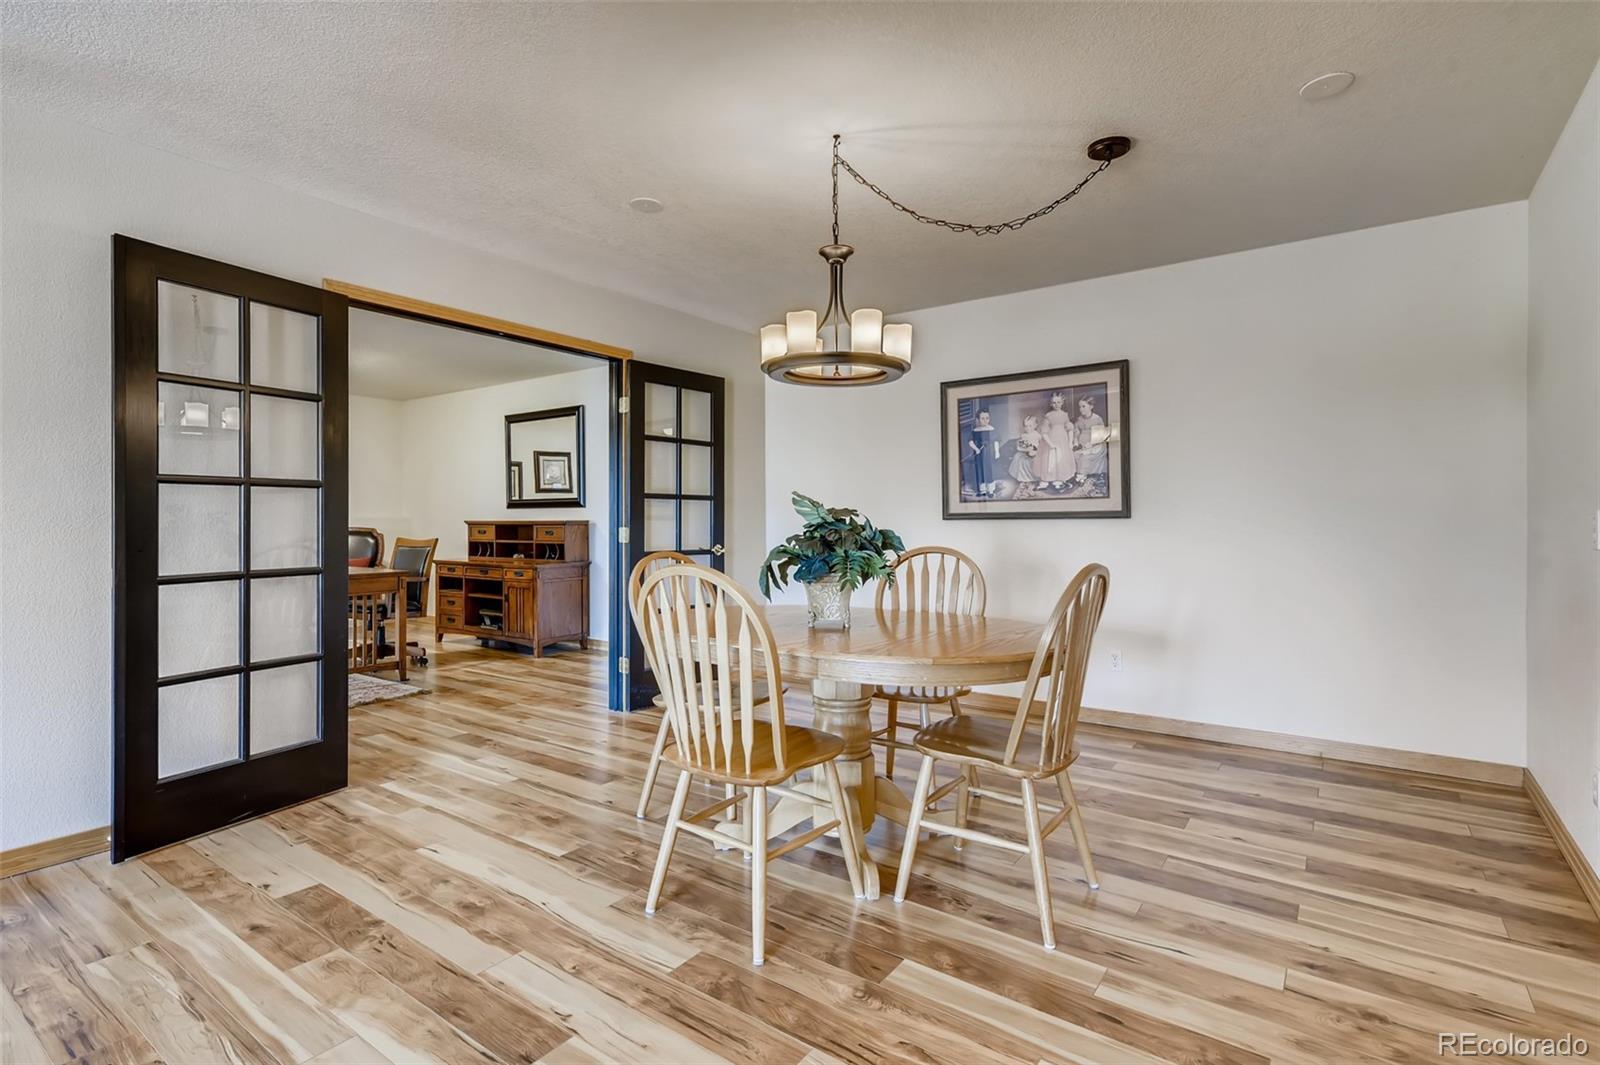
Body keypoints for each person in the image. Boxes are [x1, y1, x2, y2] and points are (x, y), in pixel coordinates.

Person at [1072, 394, 1110, 495]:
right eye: (1079, 406)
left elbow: (1101, 437)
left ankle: (1083, 478)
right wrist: (1076, 442)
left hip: (1095, 444)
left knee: (1085, 456)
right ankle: (1079, 477)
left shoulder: (1097, 419)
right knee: (1074, 454)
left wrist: (1091, 444)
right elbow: (1076, 432)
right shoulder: (1079, 419)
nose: (1081, 409)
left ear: (1091, 406)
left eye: (1083, 406)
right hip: (1082, 445)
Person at [1039, 391, 1074, 489]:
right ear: (1051, 404)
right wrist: (1050, 443)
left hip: (1062, 439)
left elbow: (1070, 429)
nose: (1056, 404)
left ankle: (1060, 478)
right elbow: (1044, 432)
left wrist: (1070, 442)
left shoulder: (1065, 415)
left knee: (1062, 458)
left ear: (1062, 402)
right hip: (1052, 439)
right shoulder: (1048, 415)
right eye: (1054, 402)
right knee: (1051, 457)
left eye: (1058, 402)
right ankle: (1050, 477)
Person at [962, 408, 999, 498]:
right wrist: (976, 449)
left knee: (989, 471)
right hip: (980, 455)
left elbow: (996, 441)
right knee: (980, 470)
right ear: (978, 419)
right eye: (982, 418)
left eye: (987, 418)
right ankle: (982, 490)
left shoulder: (991, 429)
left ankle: (990, 490)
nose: (985, 420)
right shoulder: (975, 431)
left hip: (989, 454)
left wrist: (997, 452)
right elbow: (970, 441)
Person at [1009, 414, 1044, 498]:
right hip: (1025, 453)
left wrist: (1036, 450)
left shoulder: (1037, 435)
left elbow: (1042, 445)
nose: (1028, 428)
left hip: (1036, 453)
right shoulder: (1023, 436)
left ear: (1035, 426)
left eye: (1030, 426)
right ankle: (1024, 480)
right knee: (1020, 460)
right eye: (1026, 426)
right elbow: (1020, 446)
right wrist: (1026, 449)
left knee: (1035, 462)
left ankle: (1033, 480)